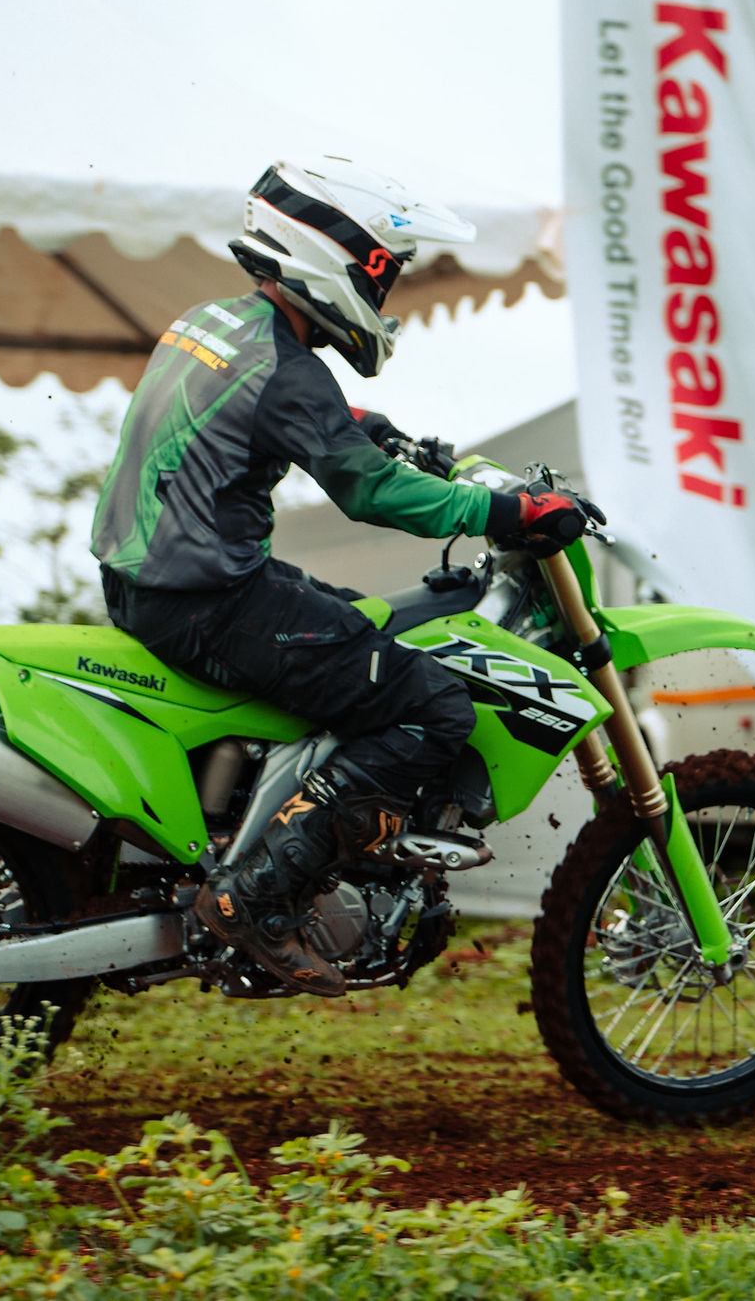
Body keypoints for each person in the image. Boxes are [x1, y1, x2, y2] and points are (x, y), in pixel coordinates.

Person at [92, 156, 596, 997]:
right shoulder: (289, 372)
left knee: (365, 622)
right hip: (209, 602)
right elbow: (371, 491)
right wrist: (507, 512)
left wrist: (359, 422)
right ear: (333, 257)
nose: (383, 289)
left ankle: (278, 833)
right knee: (432, 706)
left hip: (158, 583)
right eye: (381, 271)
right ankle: (254, 898)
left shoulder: (212, 322)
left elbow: (260, 406)